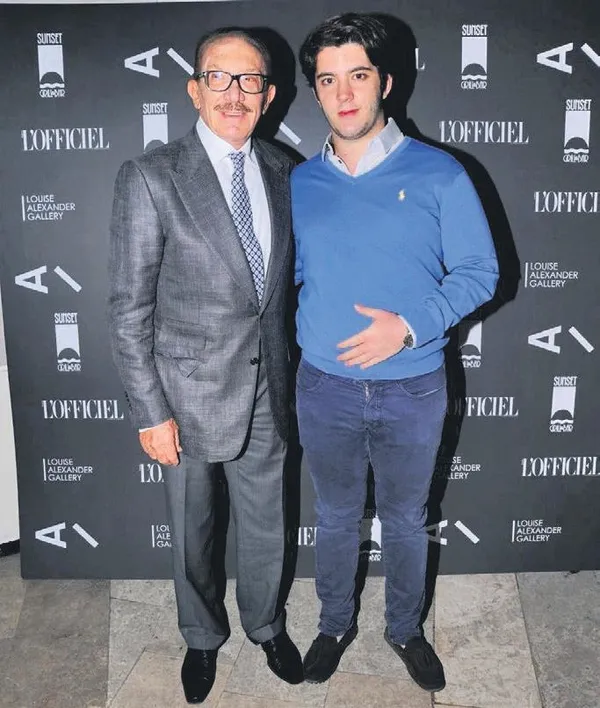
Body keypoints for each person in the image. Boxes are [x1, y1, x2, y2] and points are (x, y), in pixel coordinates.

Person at [292, 13, 499, 693]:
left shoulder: (441, 173)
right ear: (316, 91)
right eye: (328, 80)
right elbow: (291, 277)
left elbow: (480, 271)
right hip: (323, 386)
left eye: (357, 75)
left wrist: (408, 326)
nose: (344, 92)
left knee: (407, 520)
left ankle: (406, 629)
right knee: (334, 517)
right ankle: (333, 625)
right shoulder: (299, 184)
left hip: (412, 385)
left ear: (385, 81)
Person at [108, 27, 303, 704]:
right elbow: (129, 308)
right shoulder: (151, 176)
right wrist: (150, 412)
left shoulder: (285, 170)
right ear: (195, 89)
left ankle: (267, 625)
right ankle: (200, 636)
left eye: (250, 80)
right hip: (186, 397)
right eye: (219, 77)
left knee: (268, 523)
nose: (235, 93)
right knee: (193, 533)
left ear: (268, 95)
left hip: (270, 388)